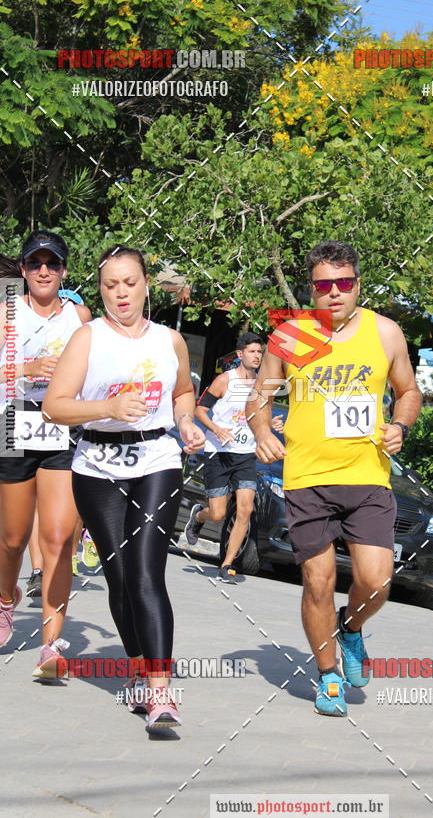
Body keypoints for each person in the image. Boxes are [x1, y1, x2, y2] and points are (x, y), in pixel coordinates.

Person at [247, 240, 422, 717]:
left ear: (358, 285)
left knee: (377, 580)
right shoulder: (292, 334)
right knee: (318, 581)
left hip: (367, 476)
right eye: (324, 285)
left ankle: (351, 627)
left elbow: (408, 391)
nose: (335, 293)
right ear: (312, 289)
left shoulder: (385, 332)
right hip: (307, 478)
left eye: (344, 283)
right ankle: (327, 676)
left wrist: (401, 426)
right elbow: (259, 398)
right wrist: (261, 432)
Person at [43, 245, 205, 731]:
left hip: (157, 459)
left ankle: (160, 691)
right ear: (100, 289)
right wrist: (107, 409)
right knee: (118, 575)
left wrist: (185, 421)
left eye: (130, 283)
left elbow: (182, 391)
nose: (121, 293)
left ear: (146, 284)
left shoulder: (170, 340)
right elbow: (55, 406)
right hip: (98, 465)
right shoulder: (87, 338)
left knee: (145, 573)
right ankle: (137, 666)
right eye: (110, 285)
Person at [0, 231, 92, 677]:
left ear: (64, 271)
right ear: (22, 270)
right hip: (13, 423)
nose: (43, 271)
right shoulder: (7, 311)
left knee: (57, 538)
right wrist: (27, 368)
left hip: (61, 426)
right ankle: (5, 600)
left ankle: (50, 646)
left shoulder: (79, 317)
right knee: (13, 539)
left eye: (52, 264)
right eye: (34, 263)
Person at [185, 333, 282, 583]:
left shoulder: (263, 385)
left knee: (245, 509)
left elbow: (260, 416)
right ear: (240, 354)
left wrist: (272, 424)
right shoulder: (225, 380)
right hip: (220, 453)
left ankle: (227, 564)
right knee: (217, 514)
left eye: (260, 352)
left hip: (246, 455)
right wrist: (217, 429)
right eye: (252, 352)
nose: (257, 356)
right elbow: (200, 410)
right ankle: (199, 516)